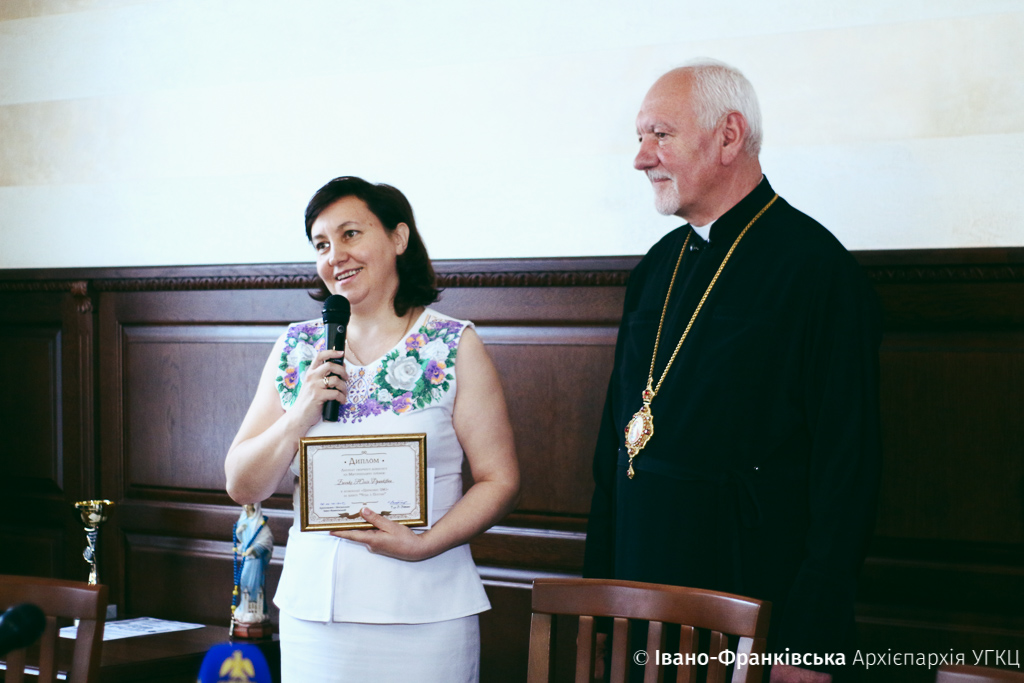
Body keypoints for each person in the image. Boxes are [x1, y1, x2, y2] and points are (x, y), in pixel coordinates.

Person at [582, 60, 881, 683]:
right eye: (640, 137)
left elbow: (846, 471)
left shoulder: (816, 271)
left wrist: (811, 643)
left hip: (755, 598)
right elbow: (615, 450)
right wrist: (601, 609)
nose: (641, 157)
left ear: (728, 136)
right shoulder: (655, 270)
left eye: (660, 134)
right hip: (641, 599)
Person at [225, 176, 520, 682]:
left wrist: (424, 545)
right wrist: (300, 414)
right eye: (321, 244)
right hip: (316, 619)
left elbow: (500, 480)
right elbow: (241, 484)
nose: (335, 255)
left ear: (398, 238)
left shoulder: (453, 345)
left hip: (427, 609)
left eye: (350, 234)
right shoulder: (296, 348)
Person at [232, 503, 273, 626]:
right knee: (243, 580)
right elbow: (243, 538)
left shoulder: (259, 522)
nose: (246, 506)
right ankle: (244, 607)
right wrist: (239, 532)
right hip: (246, 557)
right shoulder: (243, 520)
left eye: (249, 504)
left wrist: (254, 548)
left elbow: (267, 540)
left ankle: (254, 610)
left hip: (255, 559)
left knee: (253, 583)